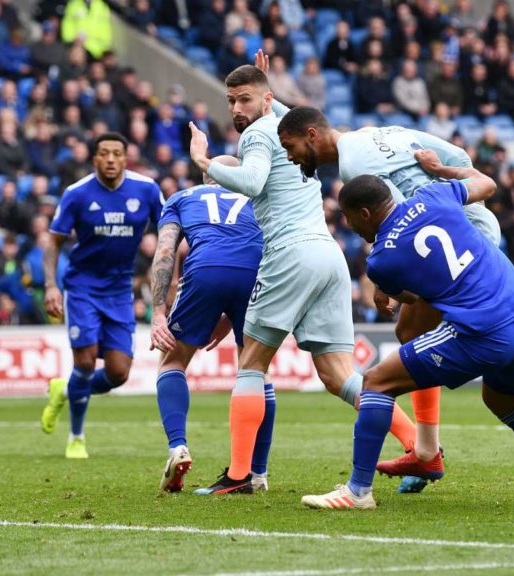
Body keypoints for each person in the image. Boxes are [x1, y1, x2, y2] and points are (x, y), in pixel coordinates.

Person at [275, 106, 514, 486]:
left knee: (470, 329)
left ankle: (425, 454)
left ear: (312, 135)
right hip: (464, 218)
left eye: (290, 146)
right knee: (442, 334)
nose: (289, 155)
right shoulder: (377, 132)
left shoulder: (355, 170)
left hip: (449, 239)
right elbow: (460, 159)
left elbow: (399, 223)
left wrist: (386, 281)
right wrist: (441, 177)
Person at [184, 51, 417, 495]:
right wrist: (265, 90)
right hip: (328, 257)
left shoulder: (255, 135)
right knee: (338, 375)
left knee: (251, 363)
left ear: (264, 100)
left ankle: (240, 475)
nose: (236, 109)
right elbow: (285, 118)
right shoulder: (288, 124)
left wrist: (204, 162)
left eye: (245, 100)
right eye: (231, 101)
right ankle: (421, 450)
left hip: (290, 253)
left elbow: (251, 182)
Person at [300, 163, 514, 510]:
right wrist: (442, 168)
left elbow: (410, 298)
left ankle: (358, 492)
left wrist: (380, 290)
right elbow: (486, 182)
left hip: (481, 331)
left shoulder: (380, 260)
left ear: (365, 213)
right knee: (503, 403)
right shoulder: (434, 194)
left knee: (375, 383)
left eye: (349, 218)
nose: (349, 226)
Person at [149, 156, 275, 493]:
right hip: (257, 274)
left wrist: (159, 312)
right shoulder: (258, 196)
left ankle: (178, 446)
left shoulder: (182, 198)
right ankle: (256, 473)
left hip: (205, 271)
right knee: (256, 372)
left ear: (207, 176)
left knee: (172, 361)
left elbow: (164, 253)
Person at [40, 132, 163, 459]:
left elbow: (169, 231)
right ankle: (76, 437)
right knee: (84, 359)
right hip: (82, 286)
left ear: (126, 158)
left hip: (120, 289)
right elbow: (53, 242)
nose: (110, 159)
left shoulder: (147, 190)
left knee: (119, 372)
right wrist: (51, 285)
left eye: (116, 154)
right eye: (104, 154)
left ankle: (63, 390)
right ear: (94, 158)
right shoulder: (77, 194)